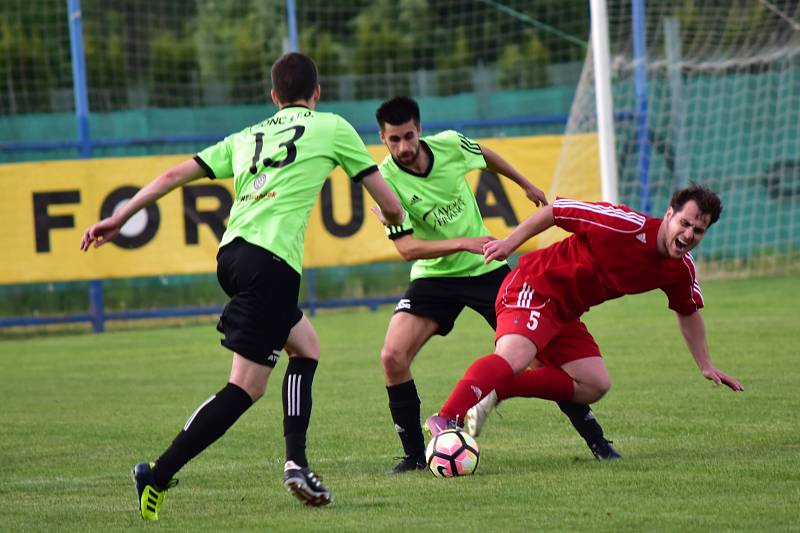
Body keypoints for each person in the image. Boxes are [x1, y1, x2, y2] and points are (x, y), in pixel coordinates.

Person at [80, 52, 404, 520]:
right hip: (272, 264)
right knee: (245, 388)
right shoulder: (332, 127)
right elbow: (390, 204)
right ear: (317, 93)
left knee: (306, 346)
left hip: (232, 257)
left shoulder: (247, 135)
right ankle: (160, 472)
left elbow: (174, 175)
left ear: (274, 97)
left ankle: (297, 461)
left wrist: (118, 217)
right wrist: (395, 223)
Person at [371, 97, 616, 473]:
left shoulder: (450, 144)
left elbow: (484, 155)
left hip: (486, 269)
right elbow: (406, 249)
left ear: (419, 130)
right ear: (383, 138)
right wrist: (462, 242)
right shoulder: (384, 181)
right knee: (392, 357)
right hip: (433, 277)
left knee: (539, 354)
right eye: (394, 140)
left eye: (408, 137)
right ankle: (414, 456)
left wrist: (525, 183)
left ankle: (597, 440)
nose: (403, 148)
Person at [426, 185, 744, 454]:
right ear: (670, 215)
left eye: (698, 230)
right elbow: (556, 210)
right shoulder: (623, 224)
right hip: (534, 285)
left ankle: (497, 390)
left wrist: (705, 364)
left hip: (564, 312)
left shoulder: (680, 269)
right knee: (514, 357)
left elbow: (688, 311)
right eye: (684, 223)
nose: (688, 234)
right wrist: (510, 244)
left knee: (594, 384)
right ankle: (445, 418)